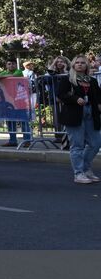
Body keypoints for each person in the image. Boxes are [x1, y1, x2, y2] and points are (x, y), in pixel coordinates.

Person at [56, 54, 101, 184]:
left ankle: (86, 168)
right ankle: (79, 173)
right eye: (77, 63)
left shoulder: (91, 80)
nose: (80, 64)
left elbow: (98, 96)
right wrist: (75, 99)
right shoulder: (68, 79)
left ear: (86, 65)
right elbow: (60, 95)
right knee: (77, 145)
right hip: (74, 114)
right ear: (73, 65)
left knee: (96, 143)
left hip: (90, 113)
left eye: (82, 62)